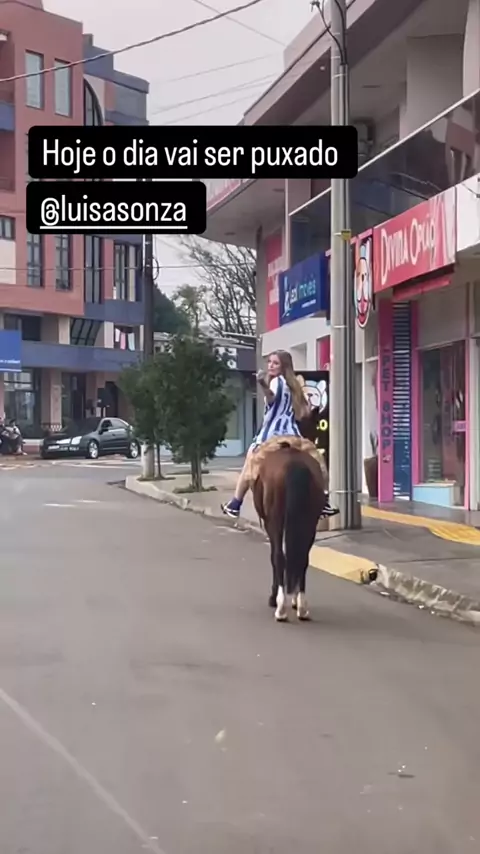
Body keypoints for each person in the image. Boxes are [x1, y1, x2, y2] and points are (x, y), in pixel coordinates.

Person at [221, 349, 339, 519]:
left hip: (271, 435)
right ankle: (324, 502)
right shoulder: (294, 386)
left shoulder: (276, 382)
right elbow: (306, 412)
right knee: (319, 464)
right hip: (293, 435)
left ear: (284, 366)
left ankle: (235, 504)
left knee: (249, 465)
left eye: (275, 363)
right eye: (269, 362)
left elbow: (271, 398)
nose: (271, 365)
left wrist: (263, 384)